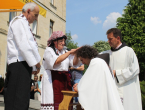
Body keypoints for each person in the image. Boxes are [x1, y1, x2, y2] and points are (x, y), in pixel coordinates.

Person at [5, 2, 41, 110]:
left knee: (20, 99)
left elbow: (30, 45)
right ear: (28, 12)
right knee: (18, 101)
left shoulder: (23, 23)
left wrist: (33, 66)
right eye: (35, 15)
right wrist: (36, 63)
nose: (36, 19)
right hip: (19, 64)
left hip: (22, 64)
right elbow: (25, 45)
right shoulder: (19, 22)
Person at [102, 28, 142, 110]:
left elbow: (134, 70)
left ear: (118, 38)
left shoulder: (129, 51)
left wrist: (116, 73)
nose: (108, 41)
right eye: (108, 39)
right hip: (113, 90)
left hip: (127, 91)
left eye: (110, 39)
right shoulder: (107, 54)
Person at [73, 45, 124, 110]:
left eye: (82, 60)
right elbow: (93, 82)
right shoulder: (99, 61)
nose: (82, 62)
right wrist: (80, 86)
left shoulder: (95, 62)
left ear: (85, 56)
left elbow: (88, 82)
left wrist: (79, 87)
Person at [41, 31, 80, 110]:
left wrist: (76, 54)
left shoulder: (65, 51)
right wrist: (69, 52)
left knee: (67, 100)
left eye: (64, 41)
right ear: (55, 41)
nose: (63, 43)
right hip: (54, 78)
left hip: (65, 78)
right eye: (61, 41)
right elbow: (56, 61)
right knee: (56, 99)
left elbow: (74, 63)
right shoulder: (49, 50)